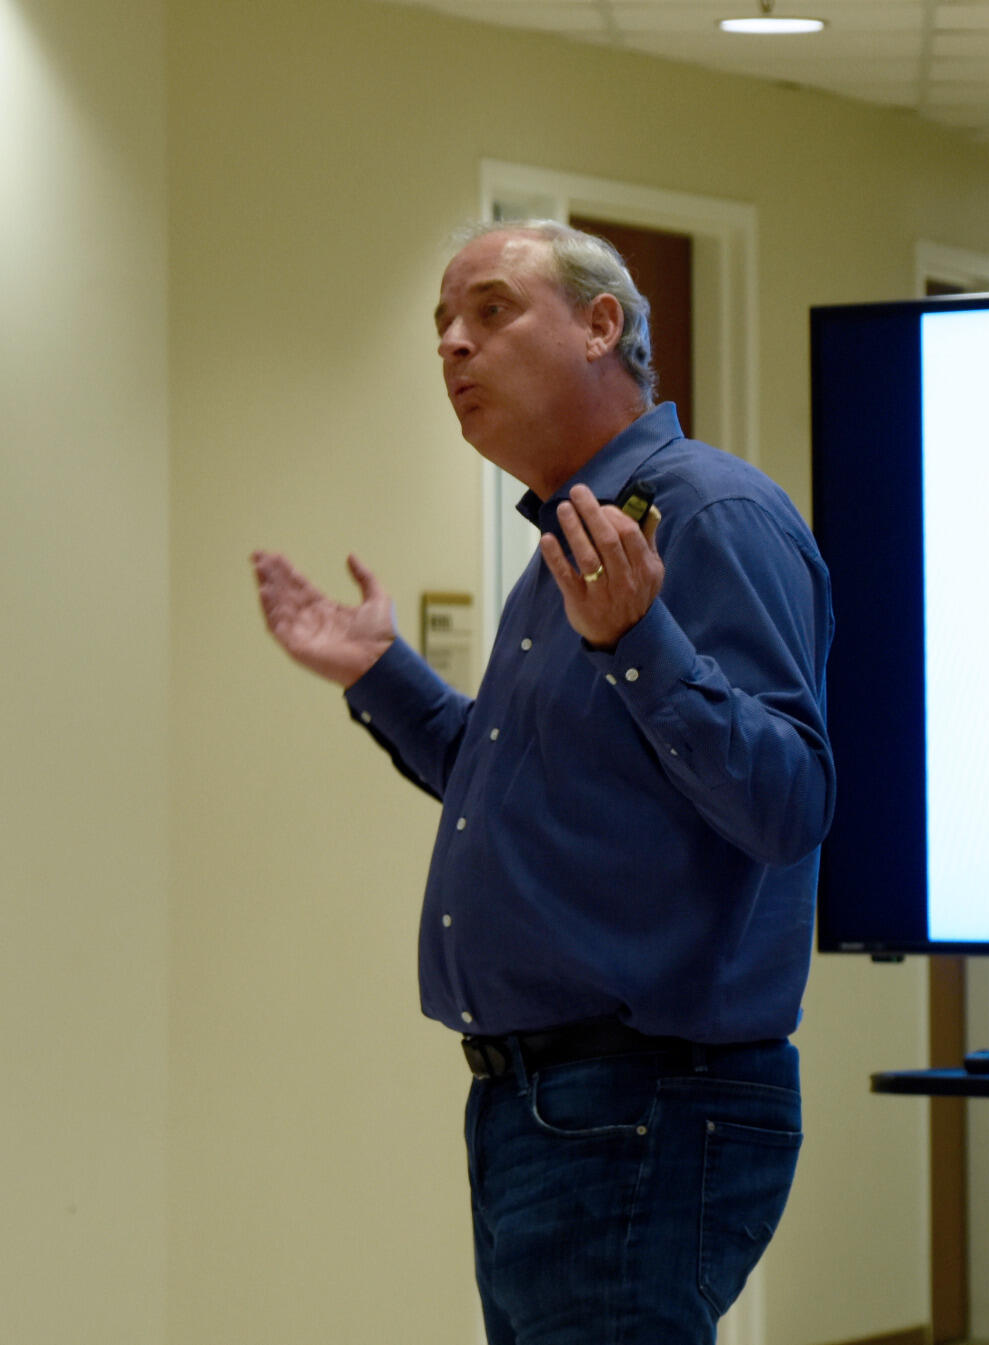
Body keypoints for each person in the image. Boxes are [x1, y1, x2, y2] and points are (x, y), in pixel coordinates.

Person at [252, 220, 834, 1344]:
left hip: (645, 1101)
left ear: (602, 325)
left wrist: (638, 644)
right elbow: (525, 787)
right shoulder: (572, 538)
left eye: (490, 310)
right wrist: (380, 673)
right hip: (543, 1104)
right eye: (440, 329)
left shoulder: (710, 516)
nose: (453, 348)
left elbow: (791, 801)